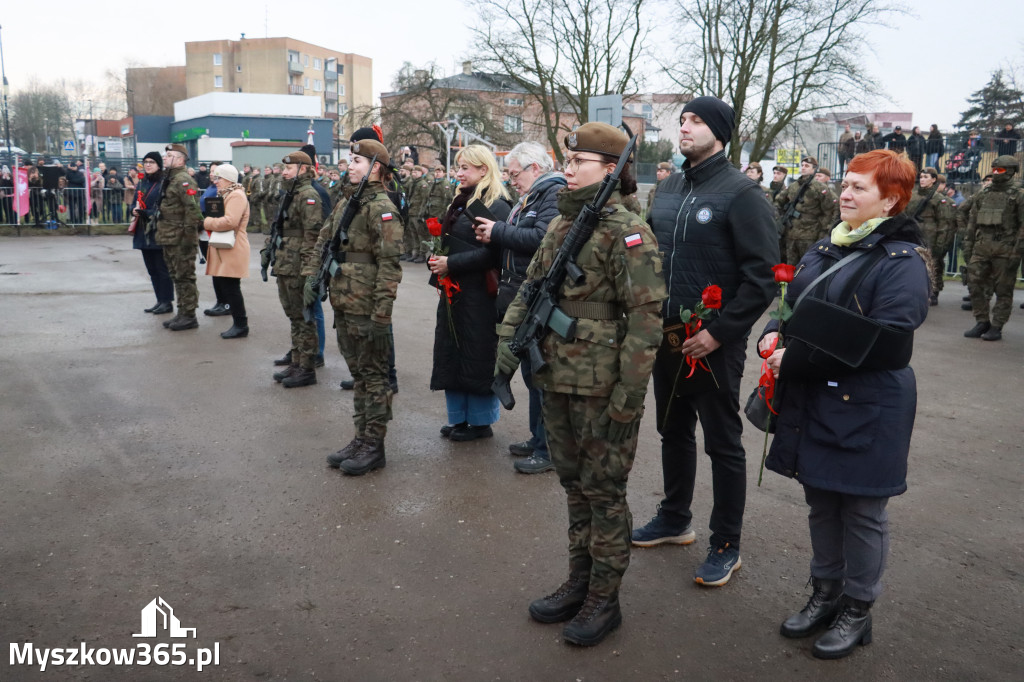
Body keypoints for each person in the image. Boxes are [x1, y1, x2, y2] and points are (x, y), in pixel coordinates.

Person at [497, 122, 666, 646]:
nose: (566, 170)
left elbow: (646, 322)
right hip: (559, 379)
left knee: (604, 493)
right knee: (574, 488)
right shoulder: (561, 227)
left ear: (610, 170)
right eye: (567, 162)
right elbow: (529, 291)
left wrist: (628, 396)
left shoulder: (627, 232)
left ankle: (604, 599)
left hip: (603, 387)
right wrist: (506, 351)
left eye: (579, 163)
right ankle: (579, 579)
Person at [759, 149, 930, 660]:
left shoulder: (901, 263)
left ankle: (858, 608)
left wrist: (795, 359)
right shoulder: (825, 246)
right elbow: (791, 306)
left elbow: (888, 342)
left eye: (859, 187)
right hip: (817, 398)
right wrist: (772, 334)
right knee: (821, 503)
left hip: (868, 406)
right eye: (845, 183)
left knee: (861, 510)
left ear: (891, 200)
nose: (845, 193)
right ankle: (825, 594)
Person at [634, 96, 778, 587]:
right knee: (672, 431)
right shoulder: (670, 186)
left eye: (696, 120)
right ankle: (675, 518)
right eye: (683, 120)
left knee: (723, 443)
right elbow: (652, 253)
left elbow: (761, 279)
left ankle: (726, 543)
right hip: (667, 335)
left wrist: (719, 333)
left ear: (720, 131)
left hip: (713, 342)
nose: (685, 127)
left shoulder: (743, 194)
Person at [473, 141, 566, 474]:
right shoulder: (534, 196)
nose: (511, 179)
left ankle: (547, 448)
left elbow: (543, 239)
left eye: (515, 173)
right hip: (521, 294)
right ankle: (536, 438)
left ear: (535, 169)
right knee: (529, 373)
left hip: (538, 296)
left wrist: (498, 231)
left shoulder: (552, 195)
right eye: (509, 174)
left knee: (540, 375)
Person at [319, 139, 403, 476]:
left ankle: (374, 445)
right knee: (359, 376)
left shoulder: (381, 207)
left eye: (356, 160)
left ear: (376, 167)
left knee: (374, 376)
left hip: (367, 304)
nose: (349, 165)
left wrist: (382, 313)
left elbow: (390, 264)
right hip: (345, 301)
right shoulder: (347, 203)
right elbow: (326, 240)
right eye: (349, 160)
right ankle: (361, 436)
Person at [428, 145, 511, 442]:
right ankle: (459, 418)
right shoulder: (461, 200)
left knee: (476, 353)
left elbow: (492, 254)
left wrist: (451, 263)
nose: (458, 172)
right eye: (458, 167)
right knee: (453, 351)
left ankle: (480, 422)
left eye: (465, 168)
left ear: (483, 170)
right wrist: (438, 261)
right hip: (456, 291)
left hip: (479, 292)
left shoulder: (496, 204)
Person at [266, 151, 322, 387]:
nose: (284, 171)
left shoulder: (308, 195)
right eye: (284, 168)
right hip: (286, 262)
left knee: (304, 318)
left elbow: (313, 236)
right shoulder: (291, 193)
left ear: (303, 169)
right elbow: (279, 226)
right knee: (294, 316)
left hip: (299, 264)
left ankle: (307, 368)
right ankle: (297, 362)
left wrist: (310, 272)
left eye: (289, 168)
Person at [962, 155, 1024, 341]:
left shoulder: (1019, 196)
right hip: (981, 247)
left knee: (1003, 290)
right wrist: (968, 246)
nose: (996, 173)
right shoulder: (983, 193)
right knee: (974, 284)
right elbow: (972, 222)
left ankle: (997, 326)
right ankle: (982, 321)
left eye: (1001, 170)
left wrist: (1016, 252)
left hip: (1005, 248)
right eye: (994, 169)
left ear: (1011, 172)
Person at [155, 144, 204, 331]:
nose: (165, 158)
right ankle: (182, 312)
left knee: (185, 276)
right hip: (169, 235)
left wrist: (189, 240)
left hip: (181, 238)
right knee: (176, 276)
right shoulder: (171, 178)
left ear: (180, 159)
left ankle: (189, 315)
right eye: (165, 155)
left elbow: (193, 211)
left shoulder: (184, 180)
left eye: (168, 156)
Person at [201, 164, 251, 338]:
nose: (215, 181)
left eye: (218, 178)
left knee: (231, 287)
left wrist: (206, 222)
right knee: (227, 285)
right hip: (227, 246)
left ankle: (241, 325)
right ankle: (239, 324)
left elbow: (230, 221)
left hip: (233, 246)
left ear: (229, 178)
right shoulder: (228, 194)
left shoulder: (236, 195)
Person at [130, 152, 174, 315]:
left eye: (152, 162)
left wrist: (145, 212)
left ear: (158, 165)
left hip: (158, 230)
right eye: (145, 162)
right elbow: (134, 201)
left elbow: (165, 208)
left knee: (162, 269)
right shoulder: (142, 183)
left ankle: (167, 301)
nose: (148, 165)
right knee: (152, 270)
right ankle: (159, 300)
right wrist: (133, 211)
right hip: (143, 231)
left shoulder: (164, 183)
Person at [775, 156, 837, 265]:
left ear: (814, 169)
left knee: (807, 267)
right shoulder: (793, 186)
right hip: (791, 235)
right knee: (790, 268)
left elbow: (829, 210)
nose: (803, 168)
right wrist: (779, 219)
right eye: (802, 165)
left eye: (807, 166)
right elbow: (778, 202)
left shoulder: (820, 188)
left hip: (810, 236)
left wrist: (823, 232)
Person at [906, 167, 953, 305]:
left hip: (931, 236)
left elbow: (944, 223)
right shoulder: (912, 196)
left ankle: (934, 292)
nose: (922, 179)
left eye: (926, 177)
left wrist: (941, 244)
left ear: (934, 180)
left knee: (934, 264)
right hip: (914, 234)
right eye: (921, 177)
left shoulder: (938, 199)